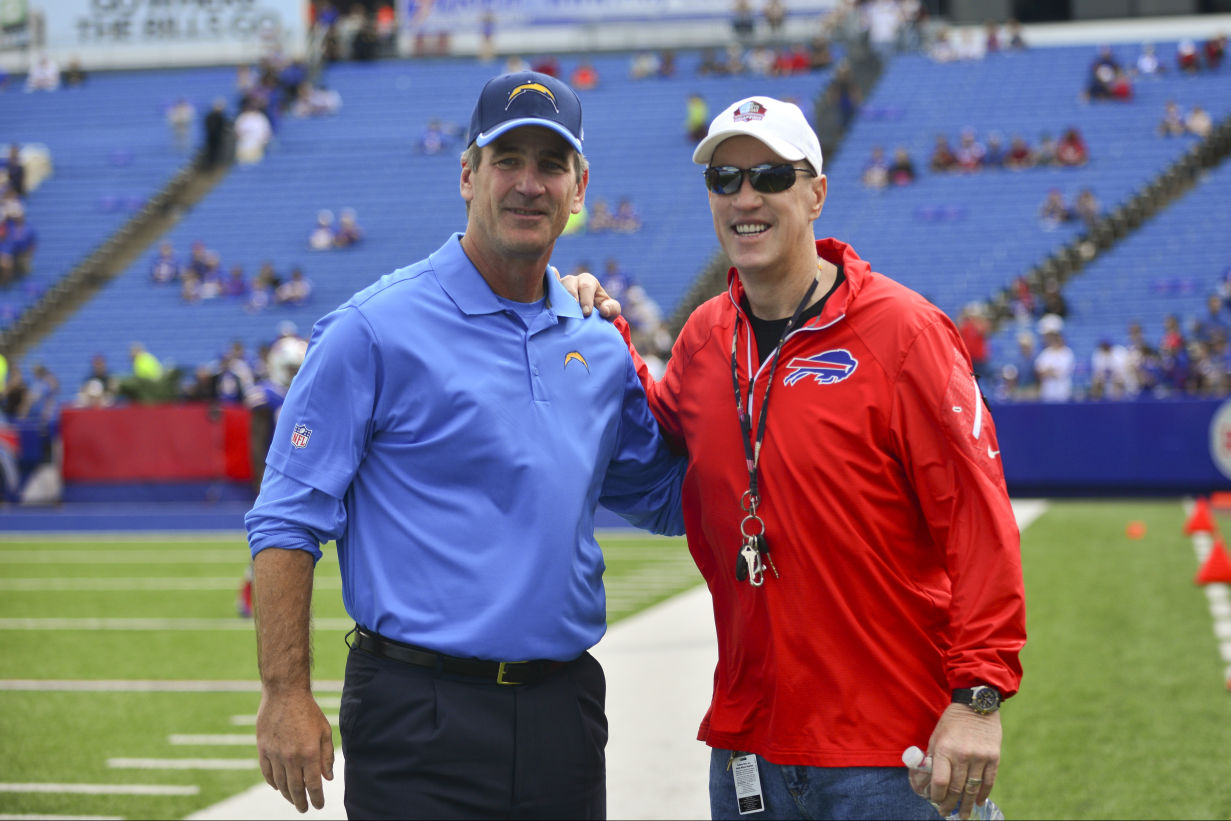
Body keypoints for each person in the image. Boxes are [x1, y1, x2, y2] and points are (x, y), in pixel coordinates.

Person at [244, 70, 687, 819]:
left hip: (563, 710)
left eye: (550, 165)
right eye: (506, 160)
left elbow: (667, 497)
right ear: (466, 174)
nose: (527, 184)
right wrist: (285, 693)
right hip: (419, 711)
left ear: (579, 189)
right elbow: (286, 518)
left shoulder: (598, 341)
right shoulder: (372, 329)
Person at [598, 95, 1025, 820]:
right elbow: (659, 450)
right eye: (723, 180)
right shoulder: (704, 337)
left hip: (893, 753)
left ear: (815, 192)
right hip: (748, 749)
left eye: (769, 175)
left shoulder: (904, 333)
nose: (745, 197)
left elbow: (978, 524)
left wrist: (978, 698)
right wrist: (600, 333)